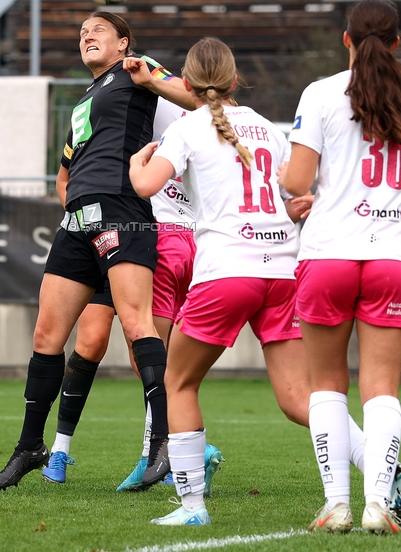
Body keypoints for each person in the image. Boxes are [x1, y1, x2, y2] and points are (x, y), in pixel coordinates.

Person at [0, 12, 193, 490]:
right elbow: (63, 175)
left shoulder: (135, 71)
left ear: (123, 43)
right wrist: (76, 203)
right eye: (81, 30)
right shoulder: (83, 101)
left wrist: (153, 78)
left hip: (124, 212)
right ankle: (30, 447)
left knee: (137, 324)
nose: (86, 35)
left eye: (97, 30)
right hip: (78, 222)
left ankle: (162, 443)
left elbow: (194, 97)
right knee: (46, 334)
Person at [129, 36, 316, 526]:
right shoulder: (267, 128)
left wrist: (135, 164)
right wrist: (291, 210)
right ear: (235, 81)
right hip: (281, 268)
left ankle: (192, 508)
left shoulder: (188, 127)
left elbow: (146, 187)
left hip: (229, 270)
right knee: (299, 400)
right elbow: (290, 196)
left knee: (177, 381)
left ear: (186, 84)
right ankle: (380, 462)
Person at [282, 0, 401, 534]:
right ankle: (378, 505)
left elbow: (297, 183)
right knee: (382, 388)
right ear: (396, 44)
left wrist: (309, 192)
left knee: (326, 386)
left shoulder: (320, 95)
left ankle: (337, 505)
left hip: (329, 256)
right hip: (391, 256)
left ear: (345, 40)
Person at [39, 99, 223, 491]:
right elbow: (65, 180)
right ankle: (61, 450)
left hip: (147, 240)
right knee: (93, 339)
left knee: (149, 352)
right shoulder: (96, 114)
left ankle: (174, 450)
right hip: (120, 237)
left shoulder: (156, 109)